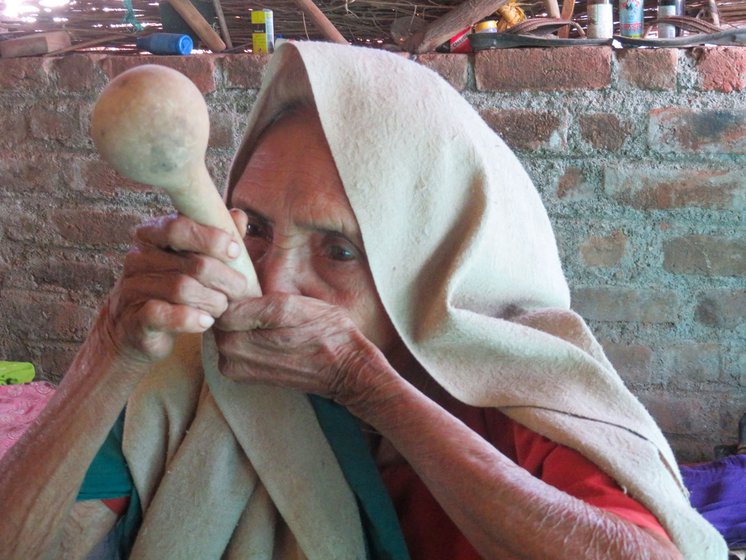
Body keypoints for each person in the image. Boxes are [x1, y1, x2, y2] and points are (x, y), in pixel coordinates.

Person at [0, 41, 726, 560]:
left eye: (339, 249)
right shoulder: (191, 378)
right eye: (253, 229)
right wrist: (107, 358)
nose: (275, 284)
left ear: (431, 264)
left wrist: (366, 386)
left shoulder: (520, 390)